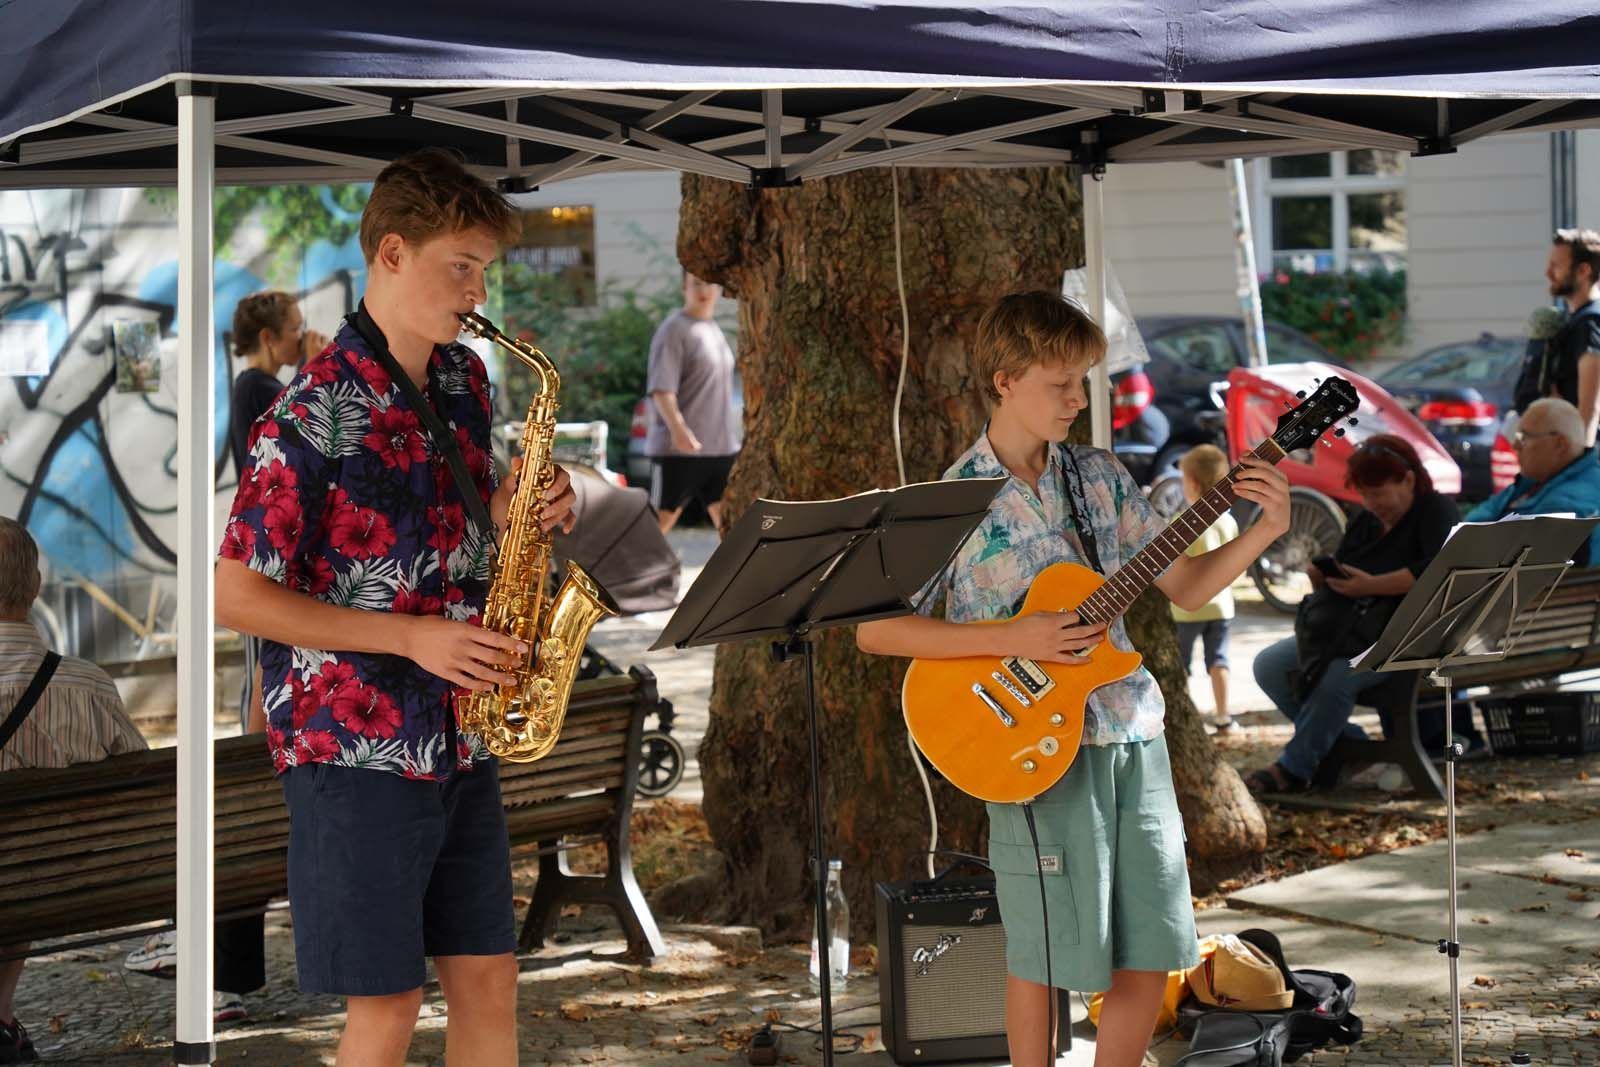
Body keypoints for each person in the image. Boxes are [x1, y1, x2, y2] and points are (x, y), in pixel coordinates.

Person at [856, 292, 1290, 1067]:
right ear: (1004, 380)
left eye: (1084, 380)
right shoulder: (951, 500)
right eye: (1059, 382)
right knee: (1044, 949)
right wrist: (1012, 634)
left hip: (1132, 730)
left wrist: (1264, 531)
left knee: (1152, 940)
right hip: (1026, 747)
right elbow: (877, 628)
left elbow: (1187, 586)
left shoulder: (1099, 477)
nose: (1077, 399)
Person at [214, 148, 577, 1067]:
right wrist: (409, 635)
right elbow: (237, 592)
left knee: (491, 979)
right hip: (353, 747)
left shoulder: (463, 382)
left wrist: (524, 506)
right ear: (390, 254)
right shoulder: (308, 408)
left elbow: (455, 525)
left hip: (460, 728)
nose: (476, 289)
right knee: (388, 1004)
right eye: (462, 265)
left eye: (484, 269)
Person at [1, 516, 148, 1063]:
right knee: (22, 874)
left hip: (14, 883)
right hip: (67, 883)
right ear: (35, 587)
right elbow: (142, 786)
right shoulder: (88, 684)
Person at [1248, 435, 1458, 794]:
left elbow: (1438, 571)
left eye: (1379, 493)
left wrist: (1373, 585)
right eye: (1366, 494)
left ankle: (1291, 768)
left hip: (1406, 638)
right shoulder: (1365, 521)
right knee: (1269, 665)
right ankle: (1351, 744)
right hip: (1349, 631)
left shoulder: (1435, 511)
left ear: (1408, 480)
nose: (1373, 503)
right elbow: (1346, 572)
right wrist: (1326, 580)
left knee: (1336, 679)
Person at [644, 271, 742, 533]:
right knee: (657, 527)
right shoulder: (673, 330)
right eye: (696, 283)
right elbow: (662, 389)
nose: (704, 289)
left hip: (719, 449)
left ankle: (741, 574)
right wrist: (678, 430)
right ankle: (627, 573)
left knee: (731, 527)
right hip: (681, 451)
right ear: (683, 287)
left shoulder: (713, 330)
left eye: (710, 282)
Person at [1466, 398, 1600, 565]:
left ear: (1560, 444)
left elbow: (1518, 561)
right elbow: (1471, 527)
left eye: (1524, 437)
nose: (1515, 445)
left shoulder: (1569, 502)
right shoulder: (1535, 480)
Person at [1171, 445, 1239, 733]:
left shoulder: (1184, 522)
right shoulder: (1228, 520)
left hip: (1187, 610)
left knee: (1181, 665)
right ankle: (1223, 715)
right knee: (1218, 660)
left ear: (1194, 484)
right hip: (1221, 605)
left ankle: (1184, 717)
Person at [1517, 230, 1600, 444]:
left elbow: (1590, 410)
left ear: (1583, 271)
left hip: (1581, 456)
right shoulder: (1574, 321)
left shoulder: (1590, 324)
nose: (1548, 273)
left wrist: (1581, 468)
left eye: (1557, 266)